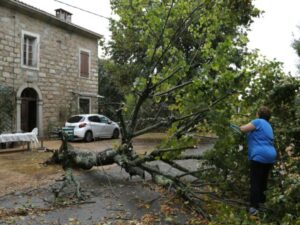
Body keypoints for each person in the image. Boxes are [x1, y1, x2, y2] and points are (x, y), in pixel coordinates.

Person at [239, 106, 277, 216]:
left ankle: (254, 208)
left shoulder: (258, 121)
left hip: (259, 155)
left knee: (255, 182)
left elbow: (243, 129)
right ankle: (262, 203)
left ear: (258, 114)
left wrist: (241, 127)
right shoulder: (268, 126)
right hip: (270, 156)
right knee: (263, 181)